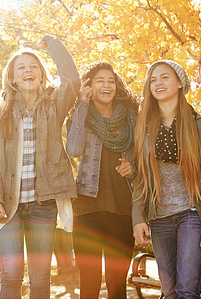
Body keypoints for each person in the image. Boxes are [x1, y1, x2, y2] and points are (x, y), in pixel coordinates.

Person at [0, 34, 80, 299]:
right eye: (21, 67)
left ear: (42, 74)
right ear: (12, 77)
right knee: (11, 275)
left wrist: (55, 46)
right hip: (7, 206)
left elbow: (72, 80)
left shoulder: (53, 104)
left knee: (39, 278)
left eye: (34, 66)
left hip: (42, 204)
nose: (28, 71)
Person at [133, 60, 201, 299]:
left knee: (187, 291)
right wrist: (138, 217)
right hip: (159, 218)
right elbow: (141, 177)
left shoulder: (199, 125)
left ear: (180, 83)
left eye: (164, 77)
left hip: (191, 214)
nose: (158, 83)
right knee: (169, 292)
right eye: (153, 80)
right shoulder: (144, 126)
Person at [66, 61, 139, 299]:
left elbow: (143, 156)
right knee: (89, 283)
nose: (106, 85)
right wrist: (82, 105)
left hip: (124, 209)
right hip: (87, 209)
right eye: (100, 81)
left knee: (117, 285)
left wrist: (134, 166)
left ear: (117, 86)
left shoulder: (131, 117)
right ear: (89, 86)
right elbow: (74, 149)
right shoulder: (81, 116)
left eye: (110, 81)